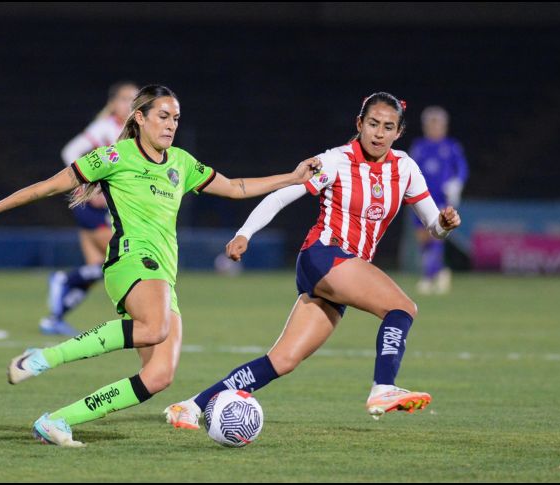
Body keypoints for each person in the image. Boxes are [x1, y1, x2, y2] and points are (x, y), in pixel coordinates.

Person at [0, 85, 322, 447]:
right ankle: (44, 357)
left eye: (176, 118)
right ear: (140, 118)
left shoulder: (181, 163)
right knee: (153, 328)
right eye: (163, 116)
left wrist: (292, 177)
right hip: (130, 260)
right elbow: (49, 186)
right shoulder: (115, 157)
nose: (170, 125)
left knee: (159, 376)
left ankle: (58, 420)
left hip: (163, 274)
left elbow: (236, 187)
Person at [164, 92, 461, 430]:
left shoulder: (405, 168)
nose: (379, 133)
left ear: (398, 132)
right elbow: (282, 195)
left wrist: (444, 225)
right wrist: (244, 233)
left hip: (343, 272)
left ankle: (190, 405)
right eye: (373, 124)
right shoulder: (335, 161)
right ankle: (383, 388)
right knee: (402, 308)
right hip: (324, 256)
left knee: (282, 360)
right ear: (360, 124)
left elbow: (433, 226)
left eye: (388, 127)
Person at [41, 81, 139, 336]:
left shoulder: (131, 131)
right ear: (114, 104)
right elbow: (71, 151)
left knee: (96, 267)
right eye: (126, 99)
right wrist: (89, 182)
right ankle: (63, 280)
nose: (131, 103)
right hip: (91, 206)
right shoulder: (107, 127)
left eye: (135, 98)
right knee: (117, 257)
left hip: (102, 207)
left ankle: (55, 317)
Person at [408, 106, 468, 295]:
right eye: (431, 124)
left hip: (441, 199)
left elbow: (462, 169)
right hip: (419, 198)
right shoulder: (419, 146)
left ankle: (428, 276)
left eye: (437, 124)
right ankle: (440, 271)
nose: (434, 128)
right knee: (423, 238)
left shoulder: (451, 146)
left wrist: (456, 184)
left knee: (437, 234)